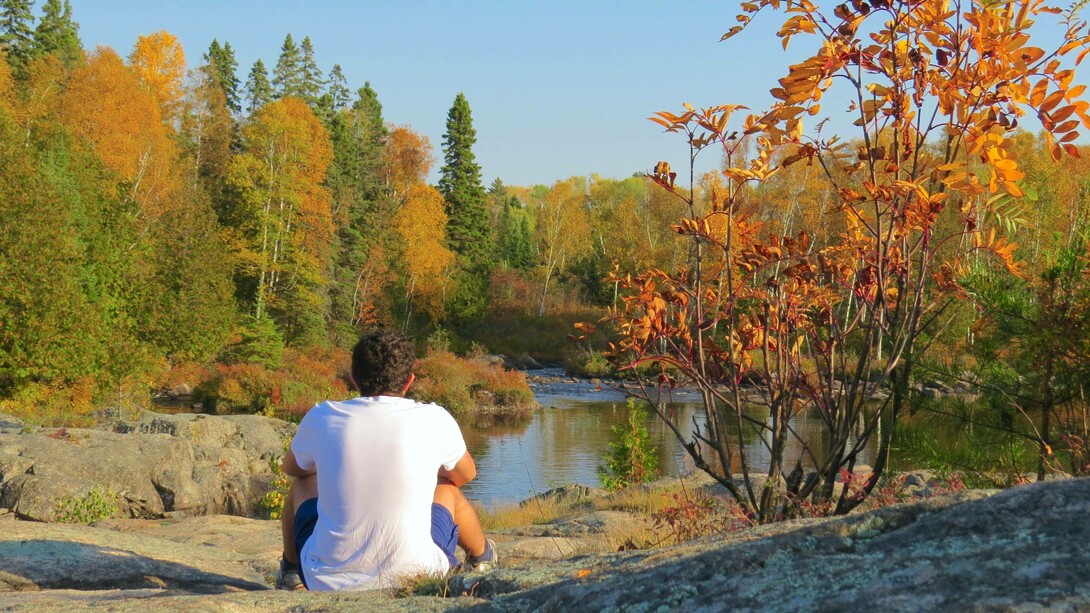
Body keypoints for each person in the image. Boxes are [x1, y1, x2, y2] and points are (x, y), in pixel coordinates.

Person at [275, 330, 497, 591]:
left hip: (324, 579)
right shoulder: (434, 418)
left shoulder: (322, 416)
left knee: (302, 484)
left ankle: (290, 571)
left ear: (354, 379)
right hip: (417, 574)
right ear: (409, 381)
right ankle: (483, 561)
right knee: (448, 489)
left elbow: (292, 468)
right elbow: (466, 475)